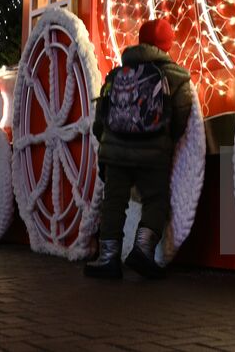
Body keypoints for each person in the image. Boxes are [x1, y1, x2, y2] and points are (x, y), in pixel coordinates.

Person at [85, 18, 192, 280]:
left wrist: (107, 141)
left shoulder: (117, 73)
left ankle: (108, 258)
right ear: (167, 45)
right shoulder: (176, 76)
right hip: (154, 154)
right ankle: (143, 250)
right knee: (155, 201)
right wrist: (165, 139)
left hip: (116, 152)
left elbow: (102, 115)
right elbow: (181, 114)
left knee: (114, 202)